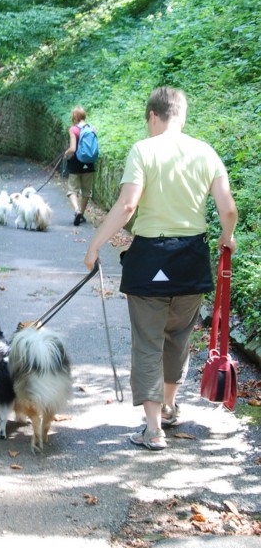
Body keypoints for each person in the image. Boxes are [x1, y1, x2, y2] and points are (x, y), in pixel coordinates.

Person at [84, 86, 238, 451]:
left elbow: (126, 207)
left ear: (153, 116)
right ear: (181, 116)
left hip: (150, 258)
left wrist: (94, 246)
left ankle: (153, 429)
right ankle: (168, 406)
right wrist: (227, 238)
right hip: (191, 260)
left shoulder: (143, 150)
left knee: (148, 341)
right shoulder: (205, 152)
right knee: (179, 337)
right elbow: (228, 210)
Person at [64, 106, 96, 226]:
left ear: (75, 117)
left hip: (76, 163)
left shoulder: (73, 129)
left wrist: (66, 153)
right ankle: (81, 214)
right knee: (86, 191)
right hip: (89, 163)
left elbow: (72, 149)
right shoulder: (92, 128)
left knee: (72, 189)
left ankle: (77, 211)